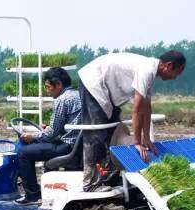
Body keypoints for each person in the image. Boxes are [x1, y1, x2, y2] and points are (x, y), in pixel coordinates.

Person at [77, 50, 186, 191]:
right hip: (93, 82)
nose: (176, 77)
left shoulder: (150, 72)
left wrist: (146, 138)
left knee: (114, 130)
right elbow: (137, 110)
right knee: (97, 131)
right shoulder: (146, 70)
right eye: (178, 72)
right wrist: (137, 142)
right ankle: (90, 184)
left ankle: (110, 178)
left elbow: (147, 109)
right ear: (169, 66)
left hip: (107, 89)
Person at [15, 67, 82, 205]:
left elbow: (51, 134)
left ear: (58, 84)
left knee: (23, 153)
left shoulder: (62, 100)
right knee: (38, 146)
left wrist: (32, 137)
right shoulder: (78, 95)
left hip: (67, 146)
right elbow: (67, 125)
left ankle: (32, 195)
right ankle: (47, 189)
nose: (47, 90)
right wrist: (45, 131)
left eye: (48, 87)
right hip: (78, 143)